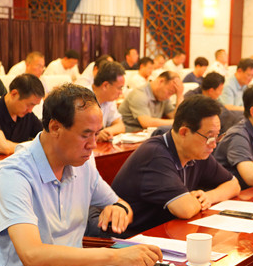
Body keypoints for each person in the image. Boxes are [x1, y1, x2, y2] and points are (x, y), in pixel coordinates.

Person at [0, 83, 162, 266]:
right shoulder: (14, 174)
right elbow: (32, 256)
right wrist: (115, 257)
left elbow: (119, 203)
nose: (93, 145)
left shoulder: (82, 164)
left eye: (96, 134)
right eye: (85, 135)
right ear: (55, 127)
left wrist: (119, 209)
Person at [107, 95, 240, 234]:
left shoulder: (198, 153)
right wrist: (193, 201)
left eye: (217, 136)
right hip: (130, 238)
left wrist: (208, 197)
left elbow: (233, 185)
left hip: (164, 233)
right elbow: (185, 209)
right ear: (184, 132)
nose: (213, 144)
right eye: (209, 137)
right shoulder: (155, 154)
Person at [118, 71, 184, 132]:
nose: (169, 96)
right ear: (161, 81)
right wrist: (176, 122)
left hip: (146, 134)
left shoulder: (163, 96)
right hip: (129, 134)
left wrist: (180, 95)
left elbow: (177, 117)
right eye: (170, 92)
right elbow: (147, 123)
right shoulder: (139, 94)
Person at [90, 61, 126, 141]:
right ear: (105, 85)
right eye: (119, 88)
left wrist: (105, 132)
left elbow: (121, 126)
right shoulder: (83, 98)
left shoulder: (109, 100)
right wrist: (96, 135)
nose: (121, 93)